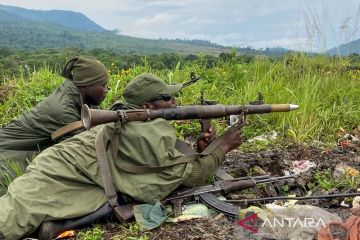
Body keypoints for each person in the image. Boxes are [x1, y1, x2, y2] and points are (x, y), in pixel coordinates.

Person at [0, 73, 243, 240]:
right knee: (10, 218)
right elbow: (193, 175)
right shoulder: (145, 133)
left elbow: (165, 161)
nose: (174, 101)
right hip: (61, 173)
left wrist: (199, 148)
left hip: (66, 168)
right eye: (167, 98)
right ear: (147, 106)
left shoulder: (127, 115)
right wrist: (223, 146)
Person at [0, 57, 109, 167]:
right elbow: (87, 147)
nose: (106, 90)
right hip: (8, 151)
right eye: (103, 85)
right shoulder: (63, 110)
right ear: (87, 84)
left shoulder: (75, 95)